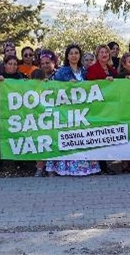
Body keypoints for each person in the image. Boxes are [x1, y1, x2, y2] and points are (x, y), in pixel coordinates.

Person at [46, 45, 101, 177]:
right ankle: (60, 167)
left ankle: (83, 168)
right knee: (67, 138)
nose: (74, 55)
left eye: (76, 53)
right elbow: (53, 89)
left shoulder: (84, 72)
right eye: (71, 53)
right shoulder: (61, 72)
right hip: (67, 111)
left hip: (82, 112)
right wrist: (66, 85)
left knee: (82, 138)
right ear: (67, 56)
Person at [0, 55, 28, 170]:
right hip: (0, 112)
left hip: (17, 113)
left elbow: (32, 88)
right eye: (10, 64)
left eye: (15, 64)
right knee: (0, 137)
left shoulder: (21, 77)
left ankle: (19, 162)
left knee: (18, 136)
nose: (13, 66)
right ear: (5, 65)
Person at [85, 44, 118, 175]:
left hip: (109, 108)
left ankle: (105, 164)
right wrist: (104, 80)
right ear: (97, 55)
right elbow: (90, 85)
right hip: (97, 108)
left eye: (106, 52)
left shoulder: (111, 69)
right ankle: (100, 165)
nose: (104, 54)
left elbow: (119, 81)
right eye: (101, 52)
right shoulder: (93, 69)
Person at [31, 49, 58, 176]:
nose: (45, 65)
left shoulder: (59, 75)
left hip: (56, 112)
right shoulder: (36, 74)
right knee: (39, 140)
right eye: (43, 63)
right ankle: (40, 166)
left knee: (53, 140)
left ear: (53, 62)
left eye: (48, 62)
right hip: (39, 113)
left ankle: (51, 167)